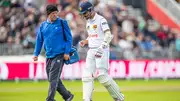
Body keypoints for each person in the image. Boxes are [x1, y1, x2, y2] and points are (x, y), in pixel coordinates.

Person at [79, 1, 124, 101]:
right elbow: (92, 36)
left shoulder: (101, 19)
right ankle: (87, 99)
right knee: (86, 76)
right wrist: (85, 41)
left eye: (85, 13)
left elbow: (108, 35)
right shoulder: (88, 21)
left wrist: (102, 47)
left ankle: (119, 98)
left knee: (102, 76)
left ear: (90, 10)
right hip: (91, 50)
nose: (84, 15)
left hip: (102, 49)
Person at [33, 4, 74, 101]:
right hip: (49, 56)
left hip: (60, 55)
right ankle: (67, 96)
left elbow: (69, 39)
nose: (55, 15)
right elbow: (39, 41)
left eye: (56, 13)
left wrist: (67, 52)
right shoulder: (43, 25)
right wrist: (36, 54)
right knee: (52, 79)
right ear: (48, 14)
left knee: (53, 79)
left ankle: (50, 99)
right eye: (53, 13)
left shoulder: (62, 23)